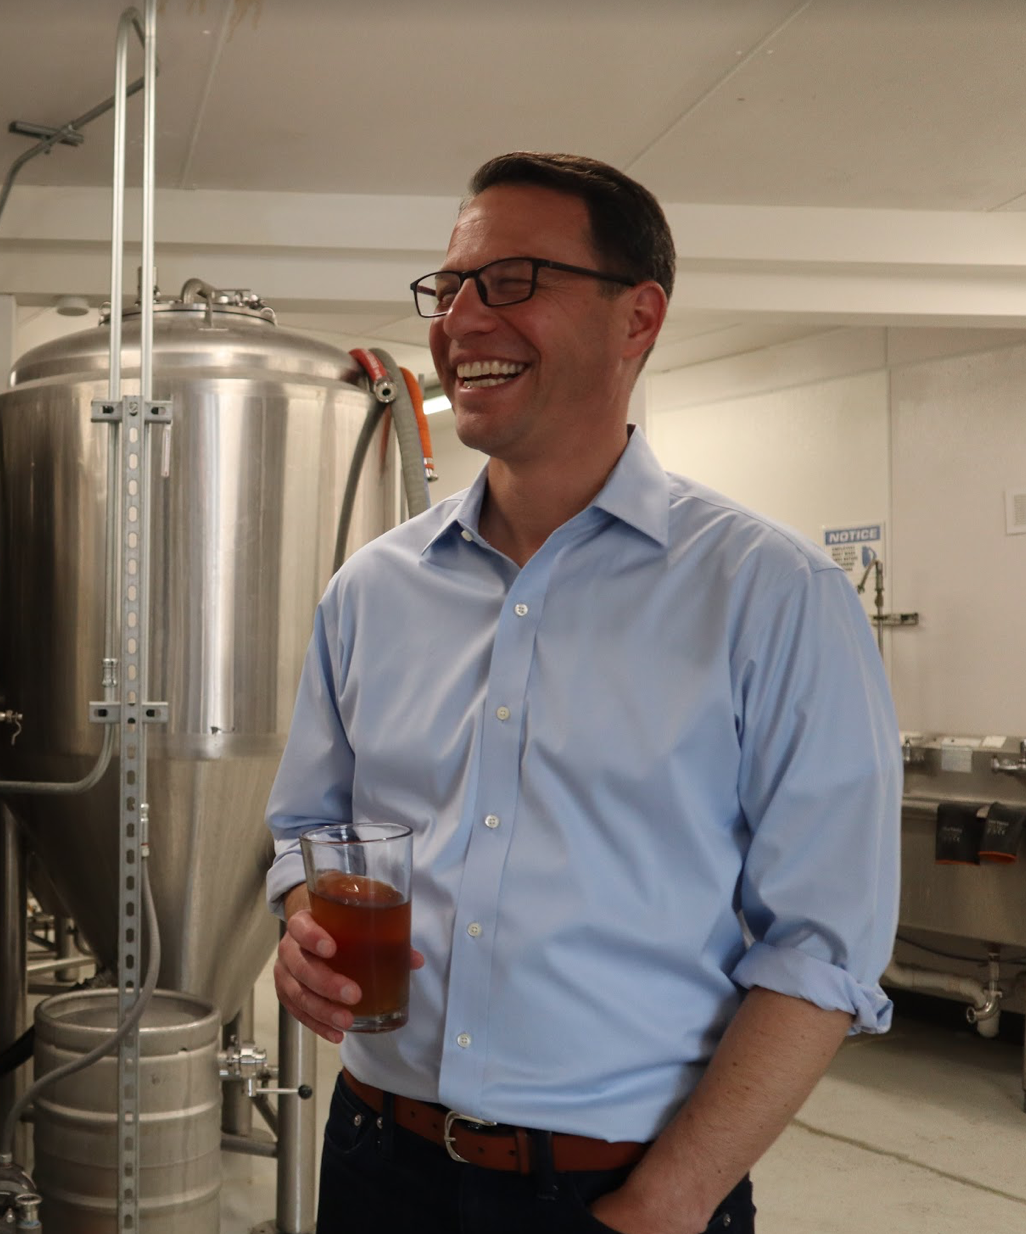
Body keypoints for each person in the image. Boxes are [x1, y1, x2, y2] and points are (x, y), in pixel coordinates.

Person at [266, 152, 899, 1234]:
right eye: (449, 286)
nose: (461, 318)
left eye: (510, 279)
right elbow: (306, 831)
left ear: (635, 320)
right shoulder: (370, 589)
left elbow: (820, 948)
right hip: (376, 1159)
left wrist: (672, 1196)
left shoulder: (770, 593)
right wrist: (299, 932)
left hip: (619, 1189)